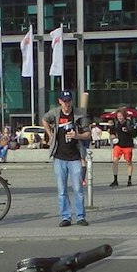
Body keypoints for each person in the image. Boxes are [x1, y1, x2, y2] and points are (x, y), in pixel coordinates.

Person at [43, 90, 87, 228]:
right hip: (59, 157)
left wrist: (77, 136)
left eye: (69, 101)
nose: (67, 104)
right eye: (64, 101)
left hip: (75, 157)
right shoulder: (55, 113)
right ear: (60, 101)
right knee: (61, 190)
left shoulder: (79, 114)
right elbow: (44, 119)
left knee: (78, 189)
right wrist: (50, 134)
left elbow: (88, 134)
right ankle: (65, 217)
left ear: (71, 101)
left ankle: (80, 216)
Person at [108, 108, 137, 186]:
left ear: (124, 116)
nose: (119, 117)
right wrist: (112, 136)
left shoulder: (129, 123)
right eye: (118, 116)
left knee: (128, 162)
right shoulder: (116, 124)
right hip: (118, 145)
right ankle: (115, 180)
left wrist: (127, 130)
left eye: (121, 116)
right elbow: (111, 132)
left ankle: (129, 180)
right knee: (115, 161)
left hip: (127, 145)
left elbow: (135, 134)